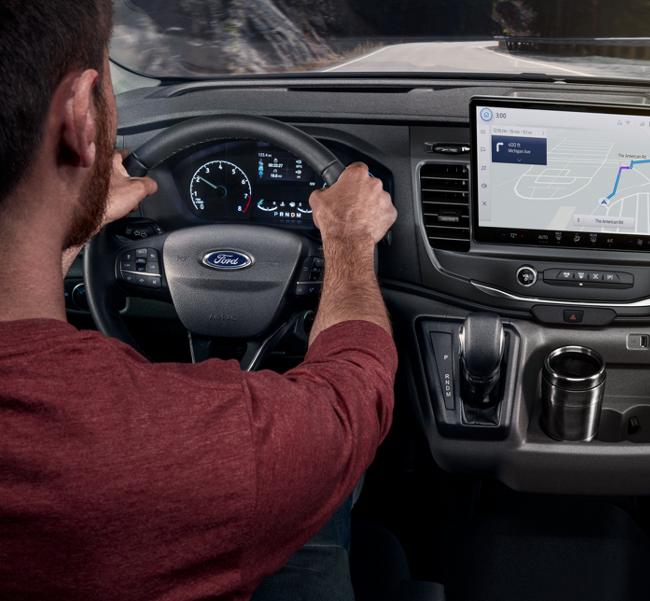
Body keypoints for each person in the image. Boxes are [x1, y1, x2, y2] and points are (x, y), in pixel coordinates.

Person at [0, 2, 398, 600]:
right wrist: (347, 240)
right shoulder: (197, 450)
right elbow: (353, 394)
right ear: (81, 116)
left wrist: (69, 224)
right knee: (330, 501)